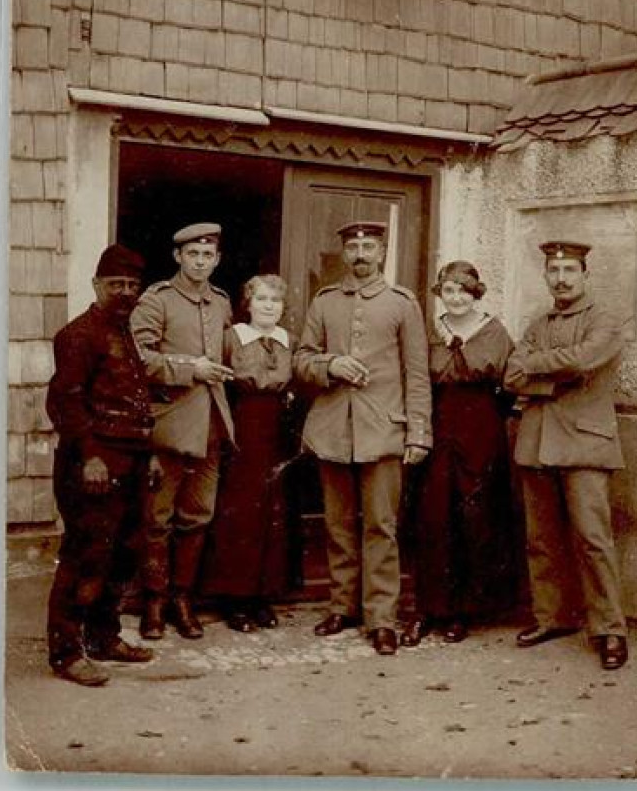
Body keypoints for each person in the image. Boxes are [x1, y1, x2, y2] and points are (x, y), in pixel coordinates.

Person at [294, 221, 432, 656]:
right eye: (352, 246)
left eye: (368, 246)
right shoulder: (325, 301)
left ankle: (382, 618)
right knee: (337, 526)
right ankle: (342, 606)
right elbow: (301, 359)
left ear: (382, 251)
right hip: (332, 429)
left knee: (380, 526)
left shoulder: (401, 303)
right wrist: (330, 364)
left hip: (384, 430)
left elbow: (417, 373)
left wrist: (418, 431)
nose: (360, 253)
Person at [504, 240, 629, 671]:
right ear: (546, 277)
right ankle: (552, 616)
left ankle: (610, 629)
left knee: (593, 539)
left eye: (569, 271)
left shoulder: (606, 319)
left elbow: (585, 362)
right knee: (541, 539)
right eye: (554, 272)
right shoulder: (539, 323)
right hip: (537, 441)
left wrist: (539, 368)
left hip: (585, 443)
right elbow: (512, 373)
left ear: (584, 275)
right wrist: (549, 376)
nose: (561, 279)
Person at [46, 244, 157, 686]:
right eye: (116, 284)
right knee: (86, 555)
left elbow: (134, 401)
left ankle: (104, 637)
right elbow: (65, 402)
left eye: (132, 285)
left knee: (124, 553)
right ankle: (67, 653)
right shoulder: (78, 335)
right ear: (96, 286)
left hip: (130, 461)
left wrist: (147, 458)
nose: (125, 292)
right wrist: (90, 455)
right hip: (91, 465)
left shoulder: (125, 331)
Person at [401, 261, 515, 647]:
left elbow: (509, 385)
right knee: (432, 517)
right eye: (449, 291)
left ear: (476, 293)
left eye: (464, 291)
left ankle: (465, 611)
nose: (456, 298)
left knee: (474, 516)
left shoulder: (494, 331)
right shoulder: (431, 331)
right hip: (437, 426)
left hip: (480, 431)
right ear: (440, 295)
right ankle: (430, 609)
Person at [131, 223, 235, 641]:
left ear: (217, 260)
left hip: (210, 425)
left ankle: (182, 599)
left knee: (197, 517)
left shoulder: (221, 303)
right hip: (169, 426)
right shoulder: (157, 300)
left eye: (208, 256)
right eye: (192, 254)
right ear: (178, 257)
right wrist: (191, 368)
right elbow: (139, 357)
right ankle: (153, 603)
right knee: (158, 519)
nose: (200, 262)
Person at [199, 274, 295, 631]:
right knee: (239, 513)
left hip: (276, 431)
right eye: (262, 299)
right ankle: (234, 599)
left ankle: (262, 597)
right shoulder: (233, 338)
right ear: (248, 303)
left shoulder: (289, 341)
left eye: (276, 300)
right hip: (241, 426)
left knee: (272, 511)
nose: (269, 306)